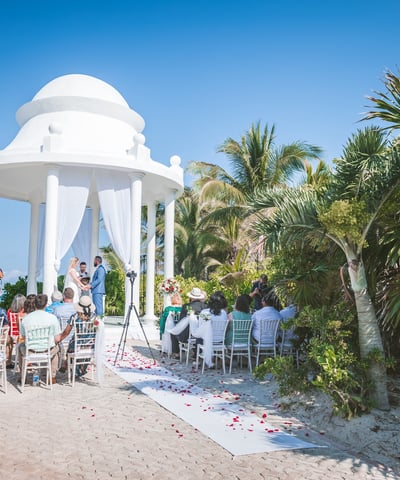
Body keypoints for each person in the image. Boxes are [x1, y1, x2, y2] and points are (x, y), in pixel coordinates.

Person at [18, 294, 61, 384]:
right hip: (47, 350)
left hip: (31, 350)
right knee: (57, 348)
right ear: (45, 305)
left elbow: (24, 338)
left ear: (35, 304)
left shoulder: (26, 319)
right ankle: (52, 376)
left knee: (20, 347)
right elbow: (57, 338)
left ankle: (23, 376)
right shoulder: (52, 318)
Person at [58, 295, 97, 379]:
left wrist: (59, 339)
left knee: (72, 343)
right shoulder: (95, 318)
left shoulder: (75, 317)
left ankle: (66, 363)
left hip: (77, 347)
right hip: (89, 346)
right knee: (78, 342)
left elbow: (67, 332)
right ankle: (80, 369)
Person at [170, 287, 207, 355]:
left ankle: (176, 353)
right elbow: (207, 319)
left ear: (191, 297)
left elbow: (181, 321)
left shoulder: (187, 306)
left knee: (173, 332)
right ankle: (196, 353)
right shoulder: (205, 306)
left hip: (187, 335)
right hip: (202, 334)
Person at [54, 287, 76, 370]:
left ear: (63, 296)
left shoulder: (57, 309)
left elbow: (55, 325)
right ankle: (67, 361)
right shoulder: (78, 309)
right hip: (75, 338)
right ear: (73, 296)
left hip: (62, 338)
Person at [5, 293, 26, 368]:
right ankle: (26, 361)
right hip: (20, 336)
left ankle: (8, 361)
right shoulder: (23, 313)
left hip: (11, 335)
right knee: (25, 340)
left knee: (8, 344)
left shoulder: (9, 311)